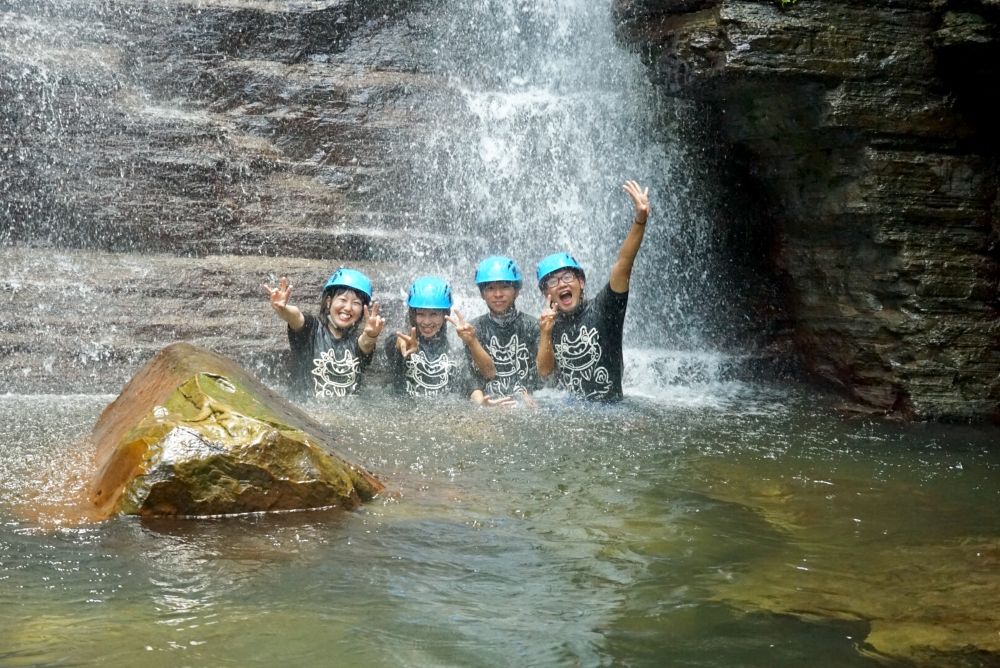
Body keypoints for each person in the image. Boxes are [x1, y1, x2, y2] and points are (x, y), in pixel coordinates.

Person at [536, 180, 650, 402]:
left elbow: (624, 263)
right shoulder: (547, 325)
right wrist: (546, 333)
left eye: (567, 277)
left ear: (581, 282)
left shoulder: (606, 309)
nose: (561, 284)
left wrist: (640, 220)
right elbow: (544, 372)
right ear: (546, 293)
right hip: (570, 414)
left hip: (610, 410)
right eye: (552, 281)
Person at [263, 268, 385, 398]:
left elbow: (367, 343)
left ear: (362, 310)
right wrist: (283, 309)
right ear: (328, 302)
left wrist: (372, 335)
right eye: (343, 300)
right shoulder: (311, 329)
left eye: (356, 303)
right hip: (304, 413)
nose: (348, 308)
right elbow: (296, 317)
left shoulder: (357, 342)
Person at [385, 275, 494, 397]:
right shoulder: (404, 342)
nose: (426, 322)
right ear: (413, 315)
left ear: (445, 315)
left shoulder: (454, 350)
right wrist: (402, 343)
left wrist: (480, 401)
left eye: (434, 314)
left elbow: (471, 383)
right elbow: (393, 342)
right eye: (421, 314)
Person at [467, 255, 540, 407]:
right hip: (491, 407)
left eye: (505, 287)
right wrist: (482, 404)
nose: (498, 294)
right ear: (482, 294)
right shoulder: (472, 330)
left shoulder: (533, 326)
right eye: (490, 288)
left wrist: (532, 397)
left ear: (516, 291)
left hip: (526, 407)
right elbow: (470, 378)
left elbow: (542, 374)